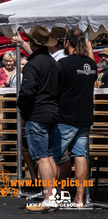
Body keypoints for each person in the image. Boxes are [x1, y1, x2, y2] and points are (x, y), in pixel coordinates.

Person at [17, 25, 60, 213]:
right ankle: (53, 196)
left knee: (42, 158)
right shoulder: (54, 63)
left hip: (37, 114)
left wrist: (23, 110)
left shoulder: (33, 65)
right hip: (52, 113)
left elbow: (27, 93)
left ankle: (49, 198)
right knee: (49, 156)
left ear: (33, 43)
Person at [54, 28, 96, 208]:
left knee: (53, 157)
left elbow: (55, 89)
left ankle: (54, 196)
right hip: (84, 117)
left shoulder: (63, 63)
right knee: (80, 156)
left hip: (65, 117)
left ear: (67, 42)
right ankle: (79, 198)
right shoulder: (91, 65)